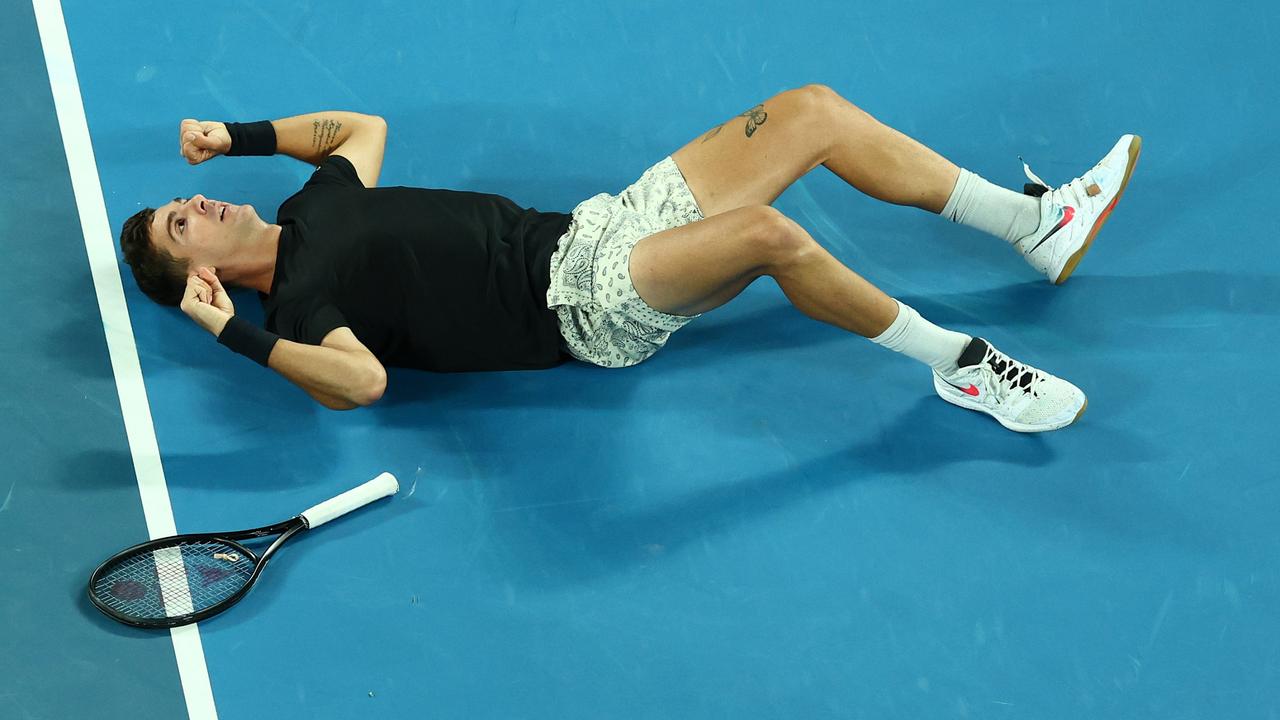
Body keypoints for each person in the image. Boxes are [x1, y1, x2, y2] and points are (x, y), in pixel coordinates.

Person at [118, 84, 1140, 432]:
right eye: (182, 224)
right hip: (583, 309)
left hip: (595, 230)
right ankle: (962, 369)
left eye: (182, 200)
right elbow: (361, 383)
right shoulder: (300, 303)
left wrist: (237, 135)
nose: (196, 201)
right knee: (773, 238)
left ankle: (1030, 227)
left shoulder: (314, 204)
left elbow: (357, 128)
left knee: (810, 113)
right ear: (202, 277)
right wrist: (233, 338)